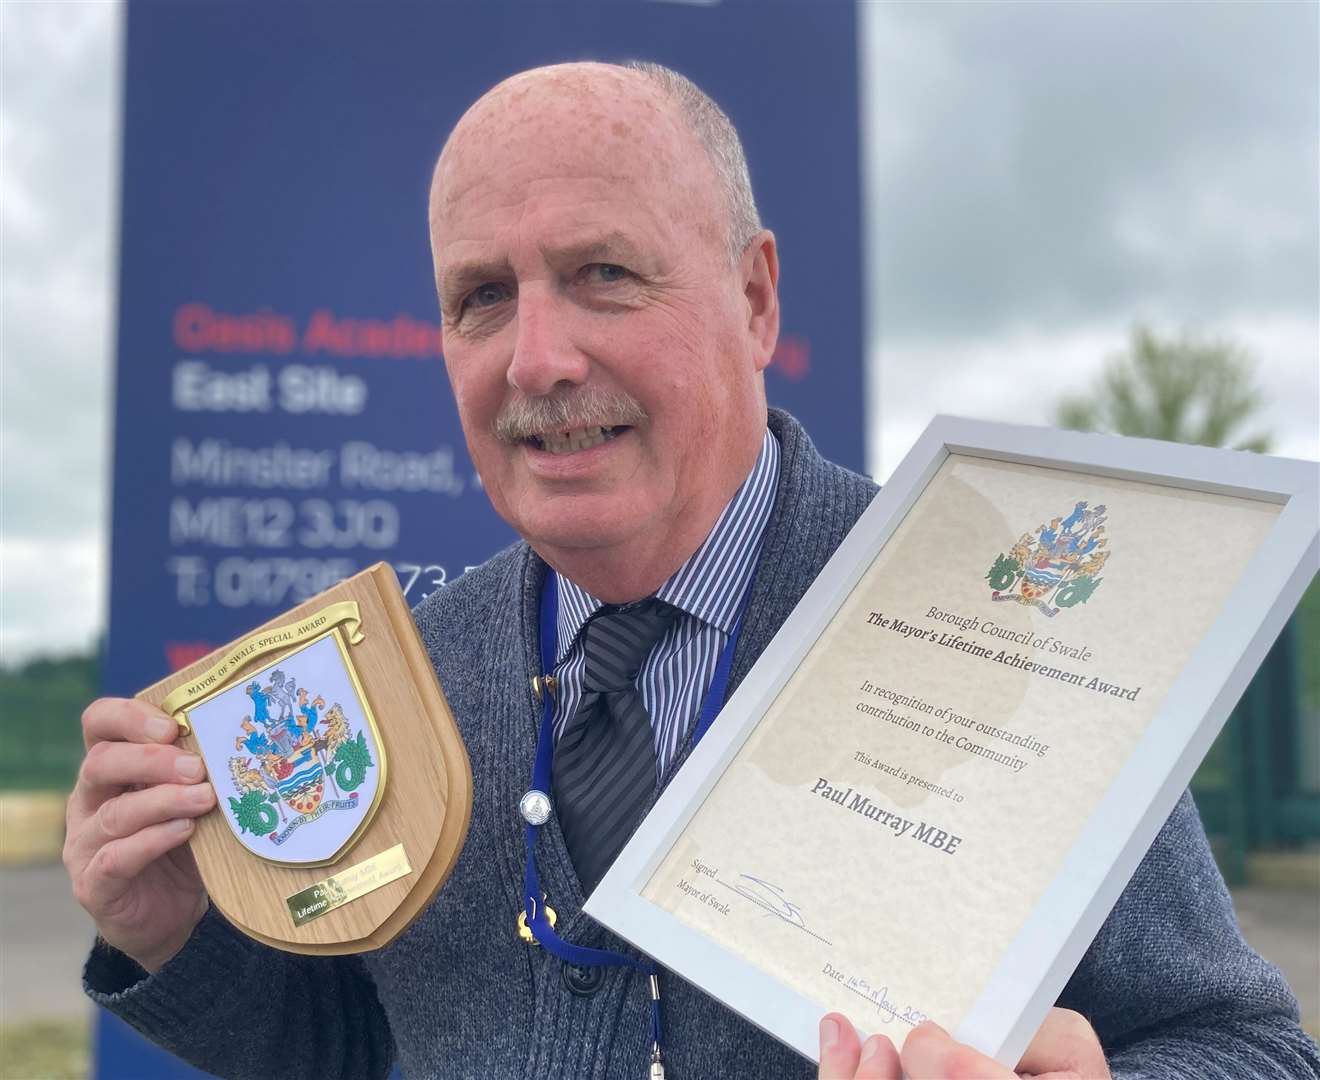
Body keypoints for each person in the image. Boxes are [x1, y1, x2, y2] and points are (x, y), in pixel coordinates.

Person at [66, 61, 1317, 1080]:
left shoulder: (988, 636)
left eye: (603, 275)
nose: (537, 359)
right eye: (482, 297)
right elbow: (359, 1052)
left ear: (757, 297)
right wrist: (179, 936)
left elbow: (1247, 1048)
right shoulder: (406, 681)